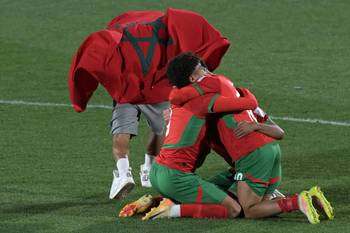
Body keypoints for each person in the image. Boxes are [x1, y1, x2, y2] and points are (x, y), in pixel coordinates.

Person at [144, 52, 334, 224]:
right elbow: (277, 130)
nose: (207, 70)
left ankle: (298, 201)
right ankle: (311, 199)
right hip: (271, 150)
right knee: (261, 207)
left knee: (247, 210)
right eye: (202, 67)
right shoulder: (235, 92)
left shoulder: (205, 99)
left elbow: (179, 97)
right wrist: (256, 119)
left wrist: (174, 106)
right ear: (194, 78)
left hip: (251, 155)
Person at [68, 8, 230, 199]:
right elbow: (196, 35)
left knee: (121, 133)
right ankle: (150, 167)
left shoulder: (113, 35)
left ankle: (123, 172)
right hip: (157, 88)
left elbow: (92, 56)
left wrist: (81, 96)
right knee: (159, 128)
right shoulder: (167, 26)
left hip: (127, 89)